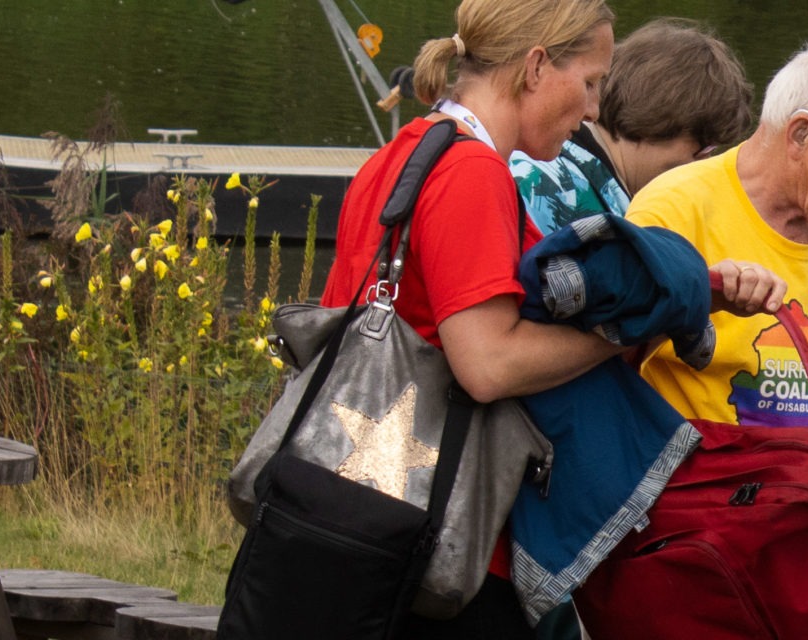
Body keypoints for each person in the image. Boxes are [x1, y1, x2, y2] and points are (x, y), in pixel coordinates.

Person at [322, 0, 778, 635]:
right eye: (590, 82)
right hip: (445, 535)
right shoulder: (473, 172)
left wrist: (695, 289)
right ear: (536, 67)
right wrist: (630, 326)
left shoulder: (403, 152)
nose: (595, 110)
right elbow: (488, 364)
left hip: (363, 499)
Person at [626, 39, 808, 478]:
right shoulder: (674, 210)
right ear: (800, 133)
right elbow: (608, 362)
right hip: (701, 519)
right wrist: (702, 296)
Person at [509, 16, 755, 234]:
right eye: (703, 151)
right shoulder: (562, 191)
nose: (702, 169)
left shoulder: (557, 161)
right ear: (663, 118)